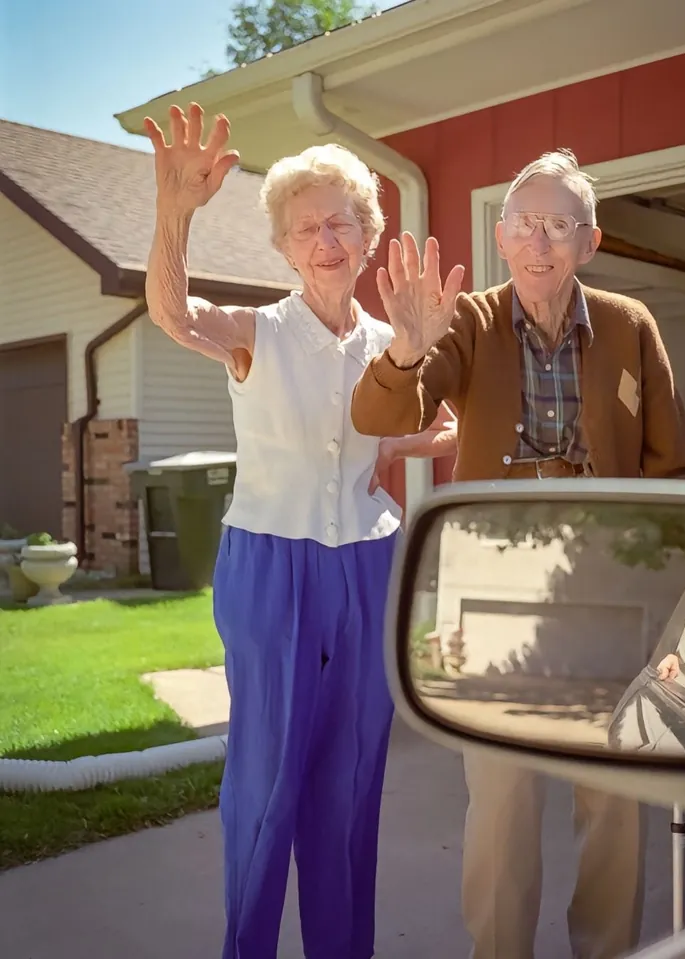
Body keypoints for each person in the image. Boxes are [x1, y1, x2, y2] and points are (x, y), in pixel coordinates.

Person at [350, 148, 685, 959]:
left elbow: (679, 473)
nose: (538, 242)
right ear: (502, 237)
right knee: (502, 809)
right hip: (497, 606)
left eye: (558, 226)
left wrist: (674, 622)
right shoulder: (470, 321)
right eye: (523, 224)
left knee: (616, 805)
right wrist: (408, 348)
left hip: (609, 601)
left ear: (591, 242)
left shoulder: (628, 325)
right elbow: (379, 413)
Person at [143, 102, 456, 959]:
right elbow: (172, 315)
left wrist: (406, 445)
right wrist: (175, 214)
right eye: (308, 226)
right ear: (284, 246)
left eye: (343, 222)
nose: (327, 240)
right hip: (272, 570)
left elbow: (410, 431)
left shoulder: (397, 342)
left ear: (368, 233)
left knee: (352, 782)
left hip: (366, 563)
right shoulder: (257, 332)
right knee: (266, 780)